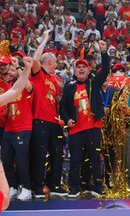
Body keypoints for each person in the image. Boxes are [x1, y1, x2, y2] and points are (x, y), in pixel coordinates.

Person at [59, 40, 109, 198]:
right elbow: (63, 107)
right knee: (75, 159)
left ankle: (95, 185)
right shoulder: (69, 86)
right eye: (78, 67)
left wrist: (104, 52)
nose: (81, 69)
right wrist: (67, 120)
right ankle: (74, 186)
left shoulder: (94, 82)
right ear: (74, 71)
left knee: (94, 157)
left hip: (93, 126)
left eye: (83, 67)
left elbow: (106, 69)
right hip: (76, 129)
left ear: (88, 71)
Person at [30, 30, 67, 198]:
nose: (57, 64)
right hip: (40, 120)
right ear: (50, 61)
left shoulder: (53, 79)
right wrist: (45, 39)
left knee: (57, 154)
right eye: (55, 62)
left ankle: (54, 185)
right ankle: (37, 186)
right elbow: (35, 59)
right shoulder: (38, 74)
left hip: (54, 122)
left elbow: (59, 98)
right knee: (39, 154)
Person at [2, 59, 33, 201]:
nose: (10, 73)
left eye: (12, 71)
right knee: (6, 160)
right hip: (9, 128)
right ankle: (13, 186)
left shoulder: (24, 86)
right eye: (9, 72)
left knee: (21, 160)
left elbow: (26, 85)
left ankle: (26, 187)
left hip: (23, 128)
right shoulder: (7, 88)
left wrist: (18, 67)